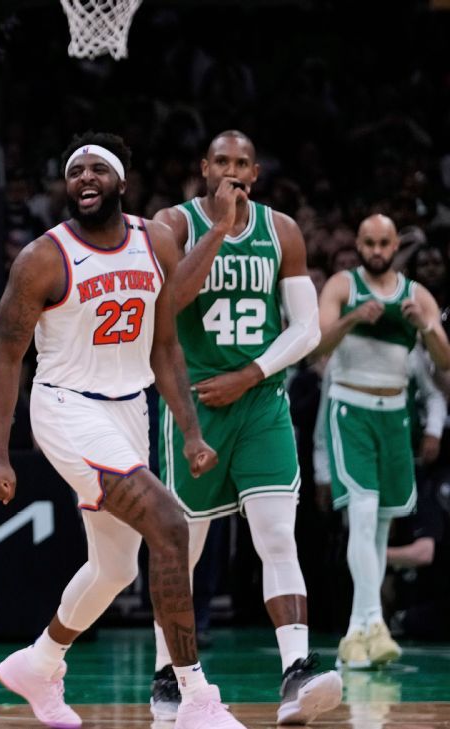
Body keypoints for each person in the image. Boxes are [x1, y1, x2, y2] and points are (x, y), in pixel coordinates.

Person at [0, 132, 243, 729]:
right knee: (170, 524)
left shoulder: (156, 240)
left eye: (98, 169)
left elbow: (166, 342)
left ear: (121, 181)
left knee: (116, 569)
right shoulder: (44, 257)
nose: (85, 179)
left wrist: (191, 431)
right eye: (75, 171)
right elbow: (6, 356)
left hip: (129, 408)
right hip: (66, 407)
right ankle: (195, 696)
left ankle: (39, 662)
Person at [151, 130, 341, 724]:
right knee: (183, 549)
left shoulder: (282, 231)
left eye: (242, 163)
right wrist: (219, 228)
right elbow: (168, 304)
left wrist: (252, 373)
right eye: (221, 161)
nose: (231, 170)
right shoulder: (172, 225)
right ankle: (167, 674)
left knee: (277, 537)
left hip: (261, 401)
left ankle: (296, 672)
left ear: (255, 173)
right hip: (194, 406)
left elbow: (307, 329)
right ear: (204, 168)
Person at [314, 214, 450, 668]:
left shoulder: (417, 295)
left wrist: (426, 326)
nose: (376, 250)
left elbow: (445, 359)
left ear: (395, 246)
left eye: (384, 243)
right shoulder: (342, 286)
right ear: (358, 244)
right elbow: (317, 345)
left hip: (395, 414)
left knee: (380, 524)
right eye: (369, 242)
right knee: (363, 513)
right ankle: (374, 622)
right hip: (350, 408)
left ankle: (358, 631)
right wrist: (353, 317)